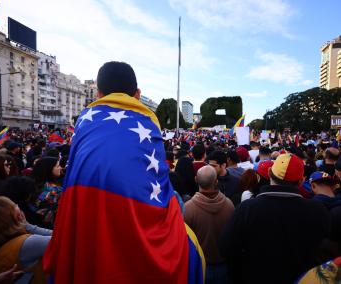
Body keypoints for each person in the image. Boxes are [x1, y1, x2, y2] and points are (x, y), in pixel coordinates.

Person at [43, 61, 205, 283]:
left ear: (99, 94)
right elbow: (157, 186)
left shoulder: (84, 123)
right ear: (137, 95)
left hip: (85, 238)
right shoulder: (148, 124)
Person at [221, 153, 331, 284]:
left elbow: (226, 247)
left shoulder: (247, 208)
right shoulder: (318, 210)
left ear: (269, 173)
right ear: (301, 181)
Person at [0, 196, 51, 283]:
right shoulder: (26, 243)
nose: (18, 206)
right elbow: (64, 239)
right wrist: (29, 226)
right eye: (14, 206)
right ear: (16, 216)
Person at [184, 165, 234, 284]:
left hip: (199, 267)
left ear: (196, 179)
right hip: (223, 265)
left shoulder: (188, 209)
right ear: (216, 182)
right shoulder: (229, 205)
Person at [30, 157, 63, 229]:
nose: (60, 168)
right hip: (50, 228)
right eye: (57, 166)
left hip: (34, 225)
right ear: (49, 169)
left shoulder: (33, 183)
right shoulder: (55, 190)